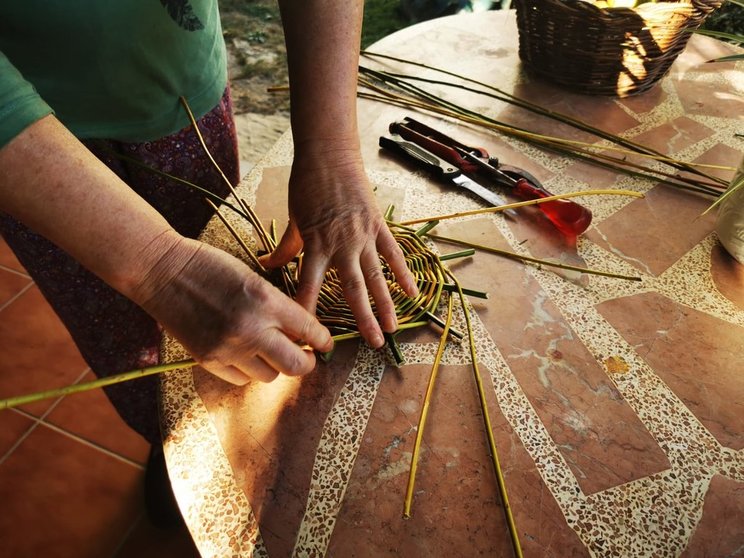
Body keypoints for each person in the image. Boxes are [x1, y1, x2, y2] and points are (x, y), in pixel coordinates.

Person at [0, 0, 417, 527]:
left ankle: (216, 438)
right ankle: (167, 438)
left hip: (179, 93)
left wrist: (331, 149)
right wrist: (160, 269)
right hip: (24, 158)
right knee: (126, 343)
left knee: (237, 313)